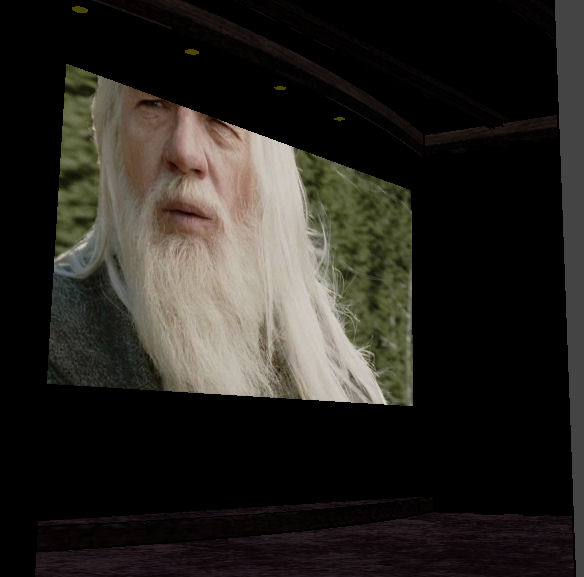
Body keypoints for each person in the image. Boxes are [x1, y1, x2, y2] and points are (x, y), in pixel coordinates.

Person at [48, 76, 387, 404]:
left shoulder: (332, 378)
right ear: (114, 137)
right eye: (153, 104)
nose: (184, 152)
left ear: (267, 172)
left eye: (221, 120)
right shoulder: (60, 335)